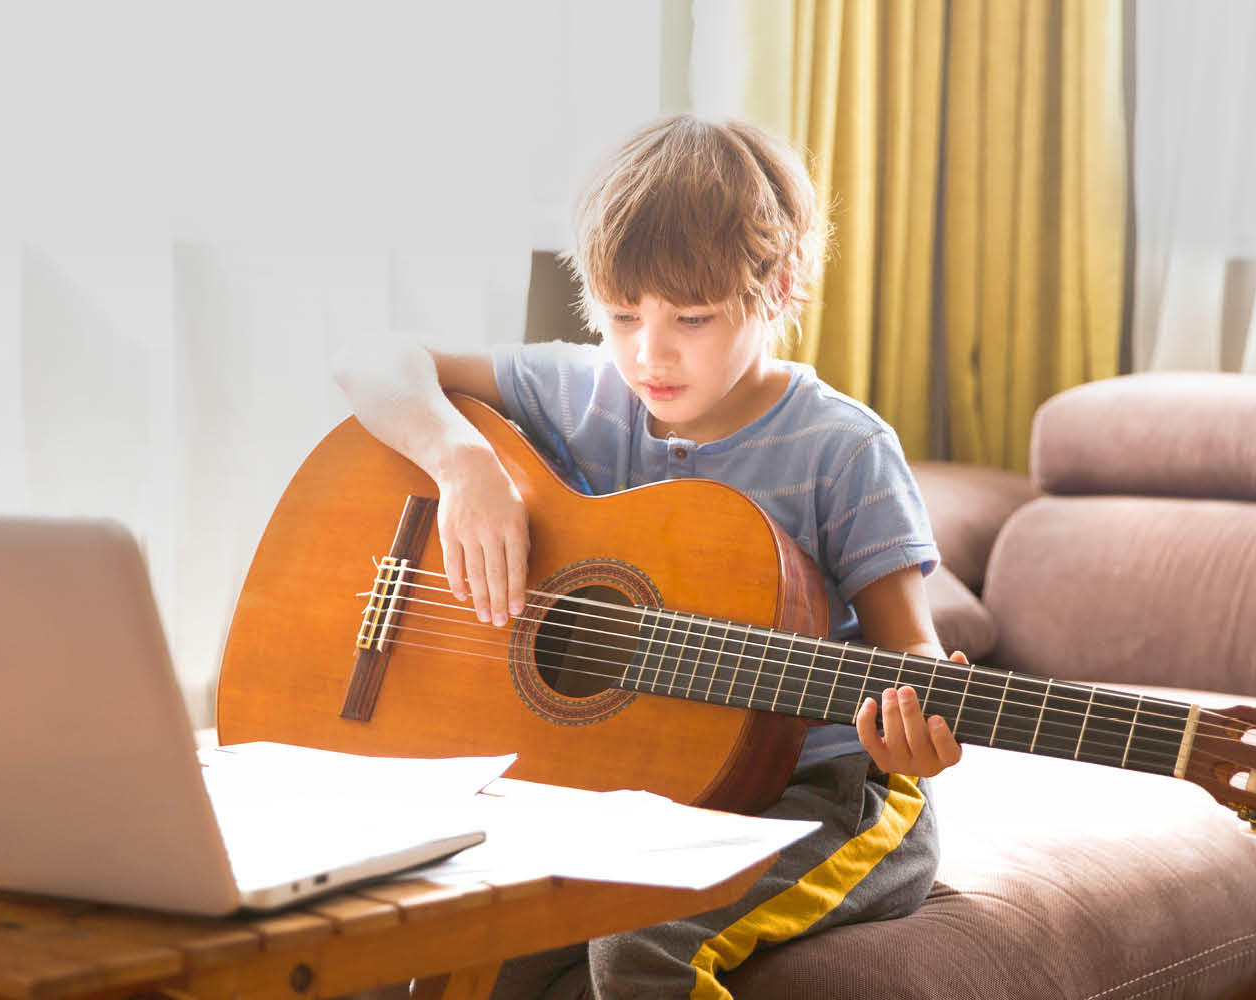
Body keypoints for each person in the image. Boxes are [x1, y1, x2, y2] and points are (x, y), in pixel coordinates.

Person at [331, 113, 967, 1000]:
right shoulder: (582, 391)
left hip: (827, 790)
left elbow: (912, 657)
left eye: (691, 318)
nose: (648, 353)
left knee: (641, 945)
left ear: (778, 289)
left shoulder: (844, 451)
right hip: (632, 785)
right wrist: (461, 460)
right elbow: (372, 358)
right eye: (622, 314)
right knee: (447, 943)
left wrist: (917, 730)